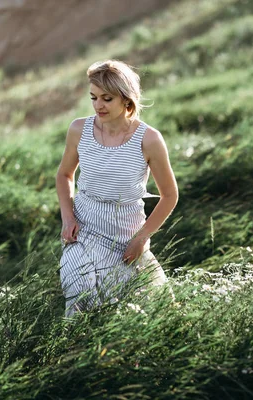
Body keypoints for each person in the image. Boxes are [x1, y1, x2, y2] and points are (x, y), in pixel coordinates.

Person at [56, 60, 179, 317]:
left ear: (127, 100)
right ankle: (70, 353)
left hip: (125, 236)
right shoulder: (79, 129)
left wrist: (141, 238)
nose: (98, 105)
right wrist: (68, 219)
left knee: (130, 311)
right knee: (78, 292)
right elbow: (64, 174)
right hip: (84, 227)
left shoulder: (149, 139)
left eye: (107, 98)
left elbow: (169, 196)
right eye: (94, 97)